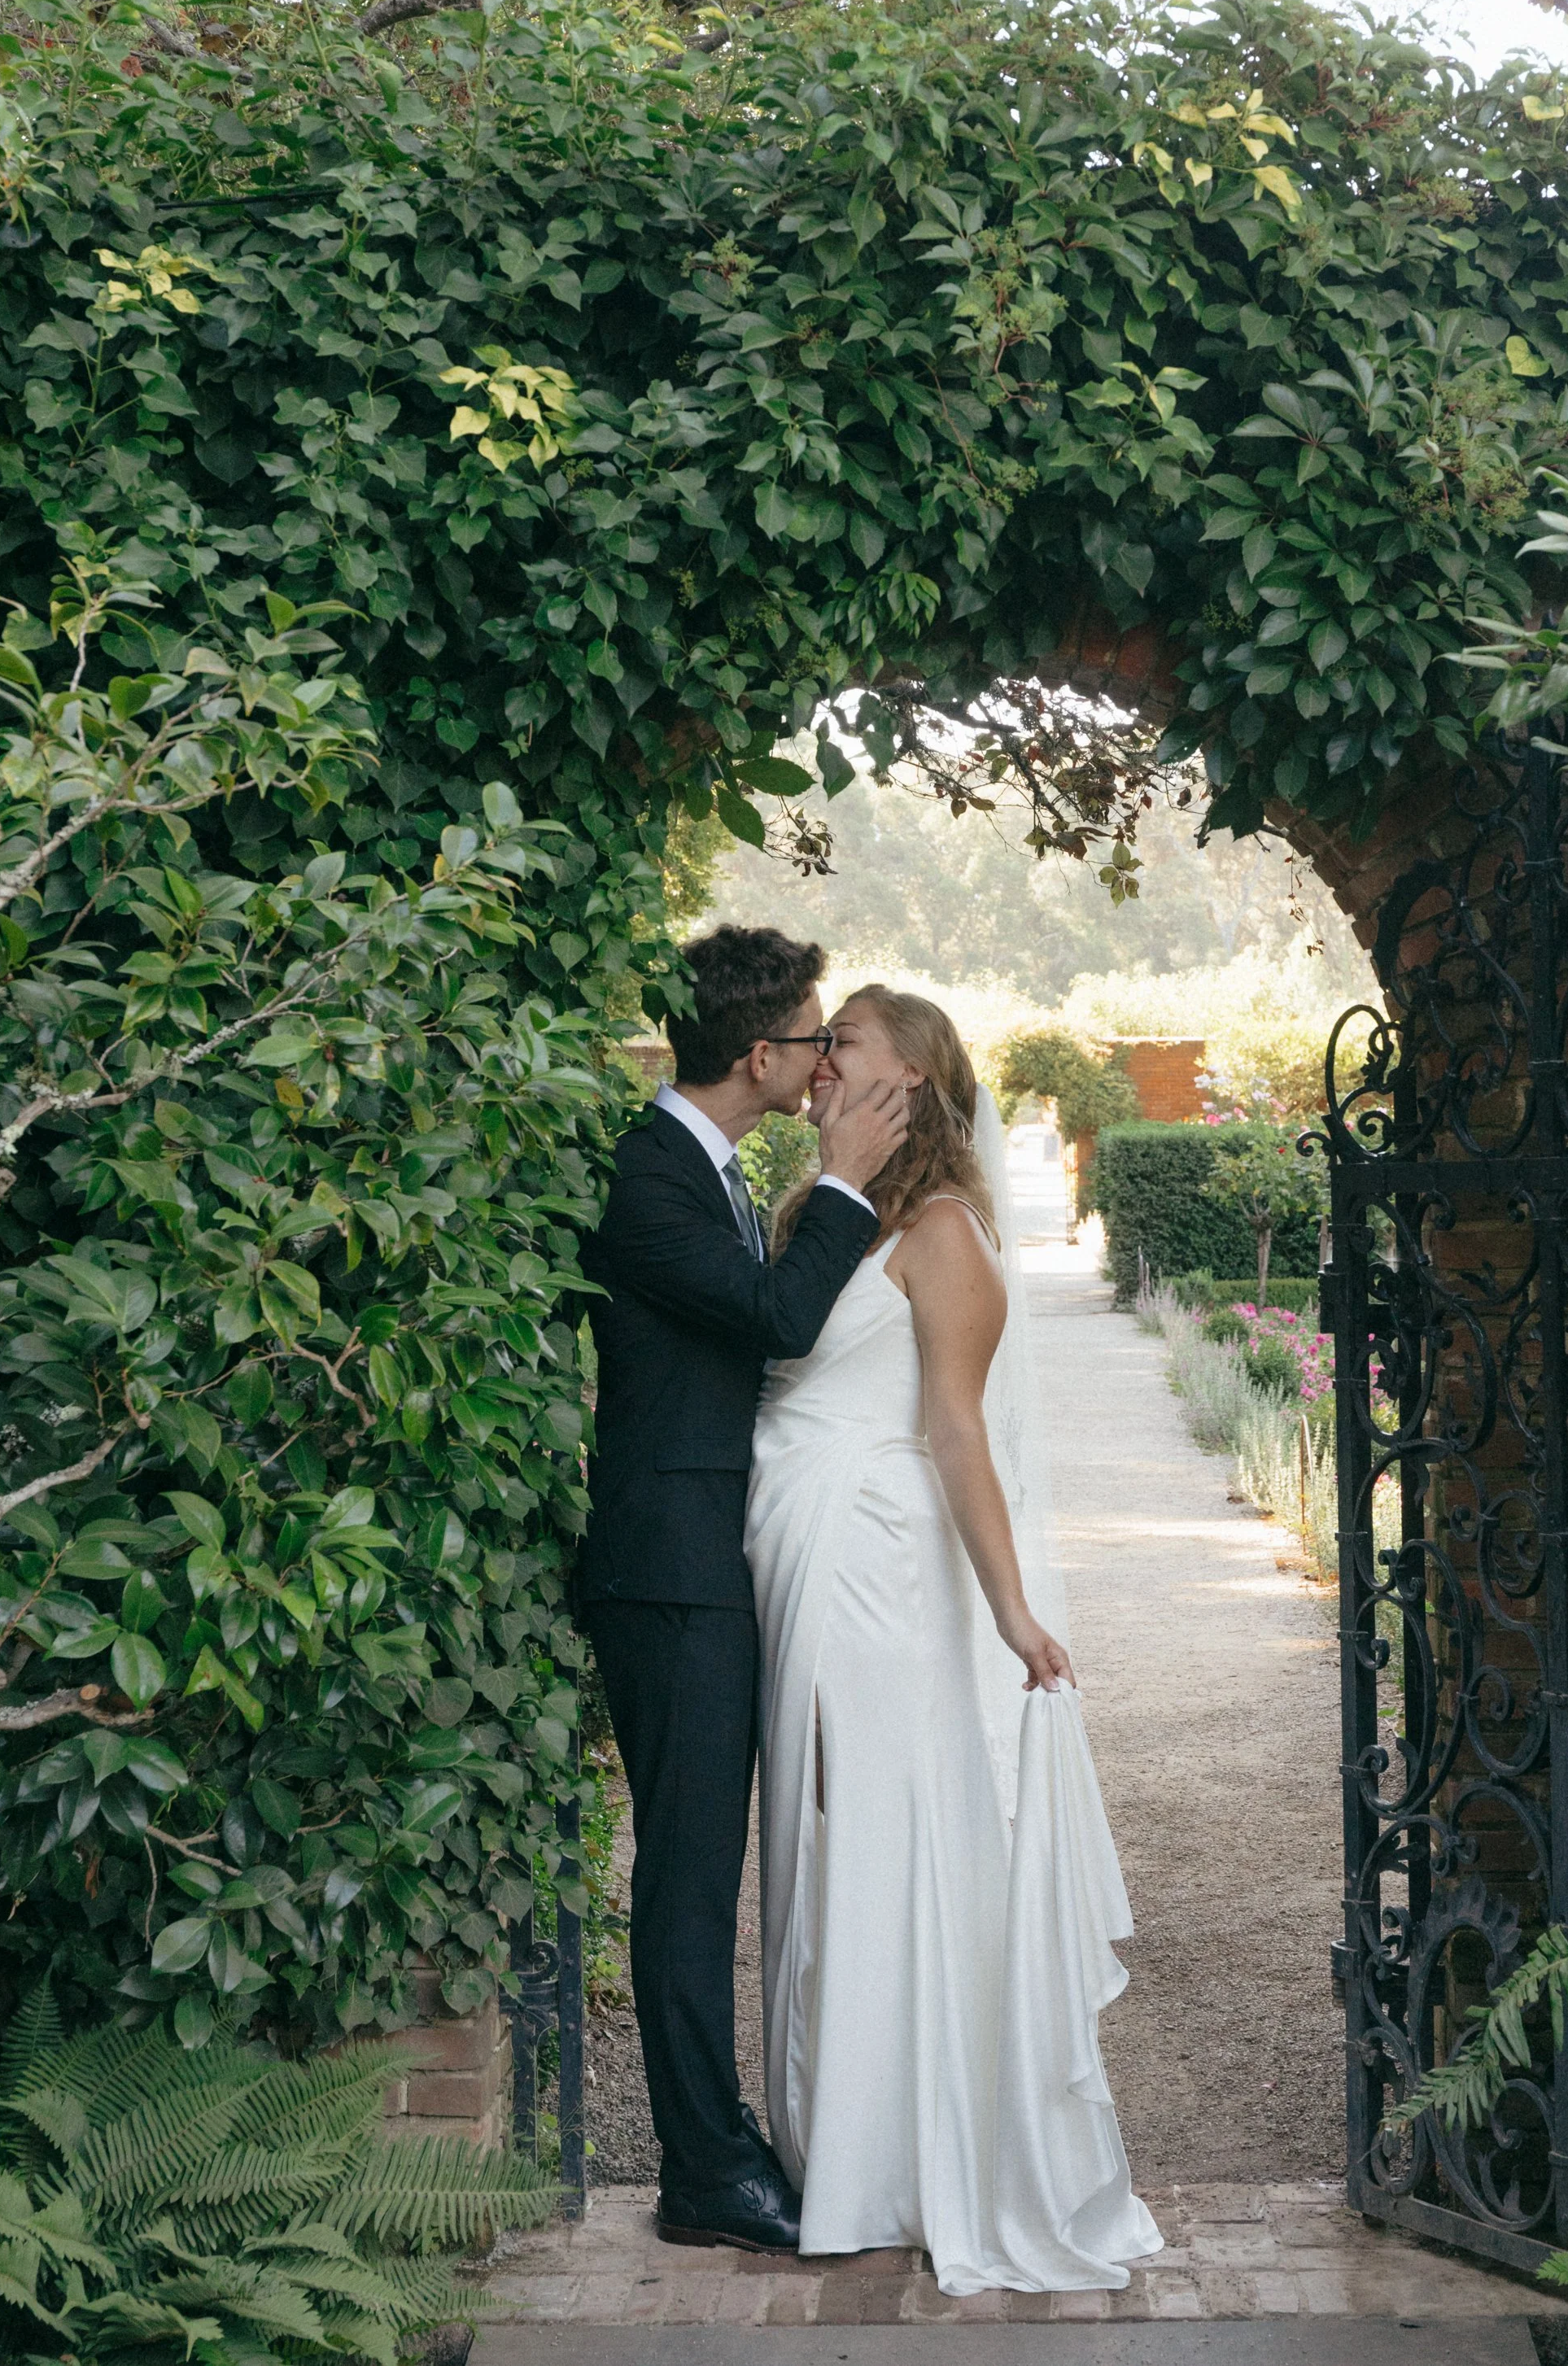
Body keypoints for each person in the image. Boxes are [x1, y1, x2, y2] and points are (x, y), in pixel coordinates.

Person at [746, 984, 1161, 2293]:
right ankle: (838, 2146)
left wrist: (1013, 1609)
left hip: (877, 1571)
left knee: (881, 1834)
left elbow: (955, 1432)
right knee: (816, 1840)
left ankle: (903, 2158)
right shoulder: (838, 1210)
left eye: (844, 1046)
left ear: (911, 1076)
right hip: (807, 1557)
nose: (819, 1064)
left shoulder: (943, 1236)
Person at [576, 927, 909, 2256]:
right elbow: (776, 1319)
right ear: (760, 1055)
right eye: (818, 1036)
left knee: (708, 1872)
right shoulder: (648, 1174)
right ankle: (701, 2170)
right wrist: (843, 1183)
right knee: (689, 1879)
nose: (830, 1055)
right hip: (666, 1577)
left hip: (710, 1566)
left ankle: (719, 2147)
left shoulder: (701, 1164)